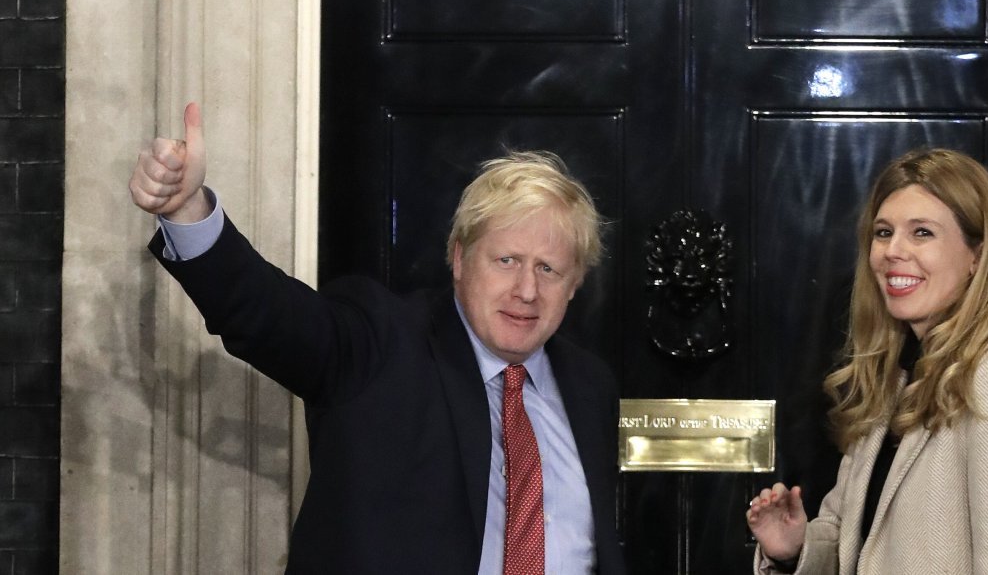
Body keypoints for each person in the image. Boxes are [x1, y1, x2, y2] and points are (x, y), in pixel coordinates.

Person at [129, 103, 627, 574]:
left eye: (548, 269)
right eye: (507, 260)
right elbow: (268, 315)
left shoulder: (590, 385)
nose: (526, 290)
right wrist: (189, 211)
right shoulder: (380, 343)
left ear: (575, 283)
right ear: (459, 258)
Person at [745, 148, 988, 574]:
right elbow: (859, 544)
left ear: (977, 256)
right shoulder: (896, 380)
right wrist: (794, 550)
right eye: (883, 232)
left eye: (922, 233)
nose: (892, 251)